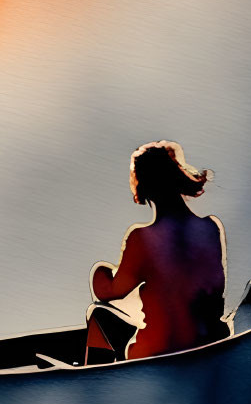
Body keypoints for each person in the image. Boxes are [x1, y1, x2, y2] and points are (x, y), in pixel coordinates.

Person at [85, 141, 229, 362]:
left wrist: (100, 270)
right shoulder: (210, 228)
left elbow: (111, 292)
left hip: (158, 354)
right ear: (179, 178)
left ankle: (96, 385)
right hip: (208, 345)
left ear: (143, 187)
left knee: (97, 314)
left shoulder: (142, 239)